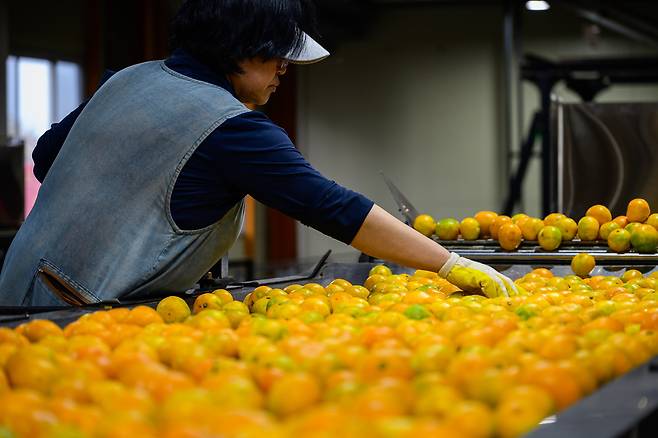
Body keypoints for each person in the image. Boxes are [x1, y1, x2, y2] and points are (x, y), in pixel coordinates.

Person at [0, 0, 517, 307]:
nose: (284, 70)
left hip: (11, 288)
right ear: (238, 47)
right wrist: (449, 264)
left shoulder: (129, 80)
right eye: (276, 56)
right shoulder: (233, 128)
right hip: (75, 314)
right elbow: (332, 207)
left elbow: (48, 158)